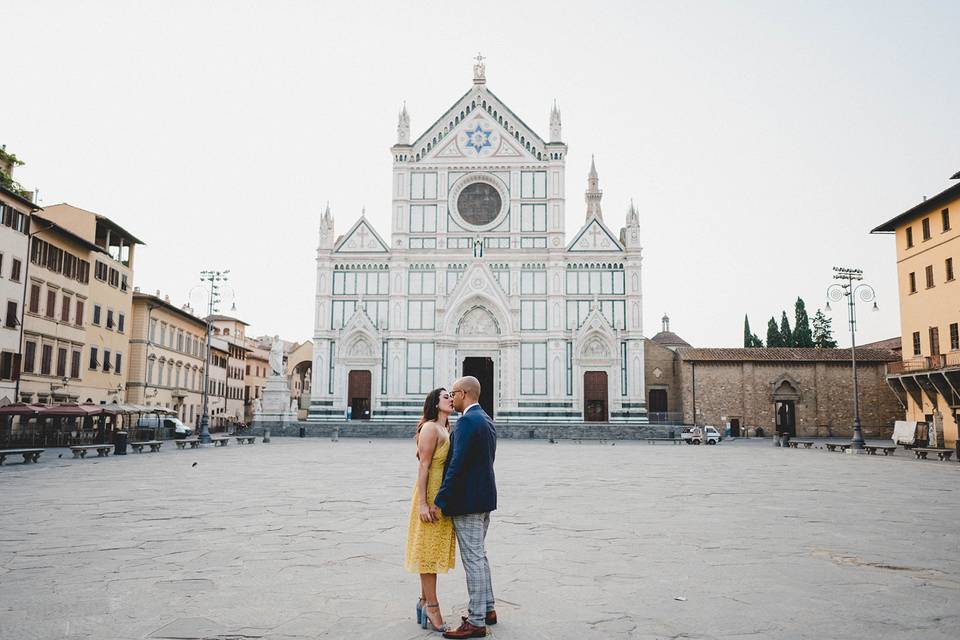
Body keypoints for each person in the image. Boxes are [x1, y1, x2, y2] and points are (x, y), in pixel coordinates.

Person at [432, 376, 498, 639]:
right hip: (482, 499)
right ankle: (488, 608)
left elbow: (457, 466)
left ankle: (477, 620)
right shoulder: (485, 419)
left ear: (464, 394)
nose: (452, 397)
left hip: (469, 502)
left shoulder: (469, 421)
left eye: (454, 392)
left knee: (473, 560)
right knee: (479, 557)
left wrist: (440, 501)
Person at [405, 388, 457, 632]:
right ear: (435, 404)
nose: (451, 399)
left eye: (451, 396)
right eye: (446, 396)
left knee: (430, 549)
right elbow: (423, 466)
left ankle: (423, 601)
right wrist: (424, 503)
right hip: (429, 495)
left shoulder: (446, 428)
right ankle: (432, 607)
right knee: (427, 552)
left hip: (440, 495)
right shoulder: (429, 428)